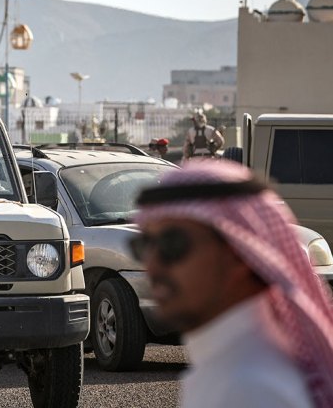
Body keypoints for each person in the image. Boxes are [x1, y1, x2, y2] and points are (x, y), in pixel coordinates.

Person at [129, 161, 333, 408]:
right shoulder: (234, 368)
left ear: (240, 254)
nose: (152, 264)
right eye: (145, 245)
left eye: (172, 244)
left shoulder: (249, 387)